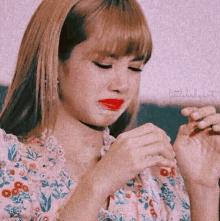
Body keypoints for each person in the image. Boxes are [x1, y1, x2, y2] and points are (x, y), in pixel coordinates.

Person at [0, 0, 219, 220]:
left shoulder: (156, 175)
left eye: (135, 68)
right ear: (53, 62)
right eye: (103, 64)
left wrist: (203, 188)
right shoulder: (8, 164)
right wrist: (98, 184)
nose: (122, 85)